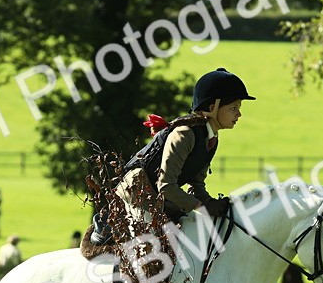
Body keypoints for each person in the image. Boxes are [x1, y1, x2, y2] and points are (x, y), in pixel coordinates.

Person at [94, 68, 253, 243]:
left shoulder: (211, 138)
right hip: (138, 193)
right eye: (233, 108)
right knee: (159, 247)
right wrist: (202, 207)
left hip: (159, 197)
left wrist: (211, 203)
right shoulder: (185, 135)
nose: (239, 114)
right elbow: (167, 186)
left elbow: (196, 184)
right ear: (212, 107)